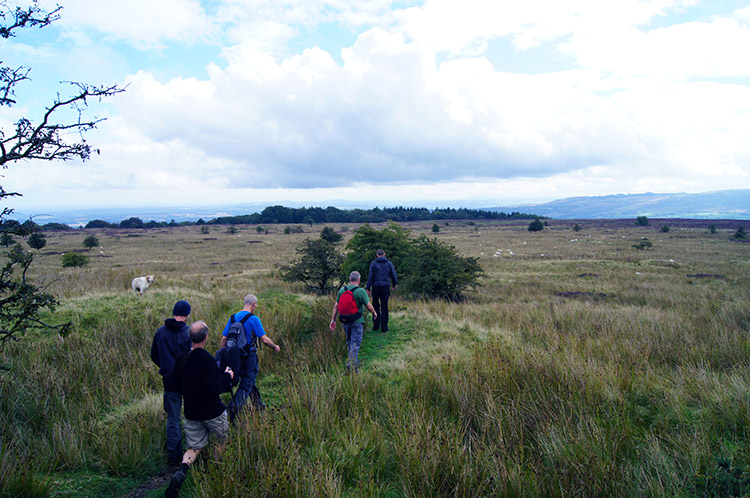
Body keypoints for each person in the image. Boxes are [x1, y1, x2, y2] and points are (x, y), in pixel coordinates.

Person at [165, 321, 234, 498]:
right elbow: (214, 389)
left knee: (194, 448)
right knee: (222, 440)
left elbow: (176, 383)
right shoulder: (208, 360)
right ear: (205, 337)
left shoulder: (182, 358)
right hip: (212, 412)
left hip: (191, 412)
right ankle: (215, 475)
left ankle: (182, 471)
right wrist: (227, 376)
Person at [219, 294, 281, 418]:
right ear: (253, 305)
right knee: (246, 384)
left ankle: (258, 405)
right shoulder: (254, 319)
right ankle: (230, 412)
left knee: (249, 380)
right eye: (255, 306)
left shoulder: (232, 318)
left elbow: (224, 338)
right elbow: (264, 339)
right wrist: (275, 346)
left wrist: (222, 355)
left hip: (235, 357)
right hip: (249, 356)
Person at [150, 300, 192, 466]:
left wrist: (166, 367)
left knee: (173, 419)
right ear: (187, 315)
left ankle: (173, 458)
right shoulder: (188, 333)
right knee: (192, 416)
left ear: (174, 312)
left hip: (169, 381)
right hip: (187, 380)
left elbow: (154, 355)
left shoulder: (160, 332)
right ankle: (191, 453)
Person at [329, 271, 377, 373]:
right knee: (355, 343)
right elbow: (368, 306)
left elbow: (336, 306)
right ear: (358, 280)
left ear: (350, 279)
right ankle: (352, 367)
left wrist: (333, 320)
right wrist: (374, 313)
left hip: (345, 321)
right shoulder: (361, 291)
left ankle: (353, 363)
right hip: (357, 321)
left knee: (349, 342)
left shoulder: (342, 290)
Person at [366, 248, 398, 332]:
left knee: (375, 305)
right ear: (384, 254)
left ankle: (376, 325)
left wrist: (368, 287)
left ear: (377, 255)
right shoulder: (389, 263)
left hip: (376, 287)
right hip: (385, 287)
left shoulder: (373, 263)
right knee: (384, 306)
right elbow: (393, 274)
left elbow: (370, 276)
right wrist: (394, 284)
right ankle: (384, 327)